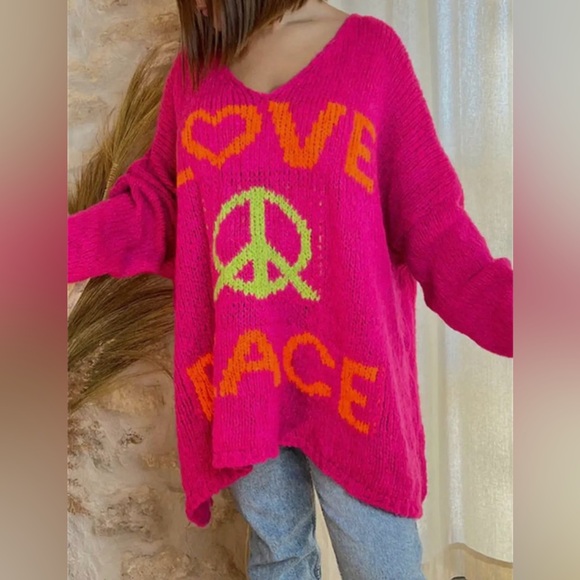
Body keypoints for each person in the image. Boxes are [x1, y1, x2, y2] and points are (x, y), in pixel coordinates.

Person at [67, 1, 513, 578]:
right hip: (244, 378)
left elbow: (435, 228)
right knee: (278, 558)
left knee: (383, 565)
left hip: (353, 384)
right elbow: (156, 208)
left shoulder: (372, 55)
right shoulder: (196, 74)